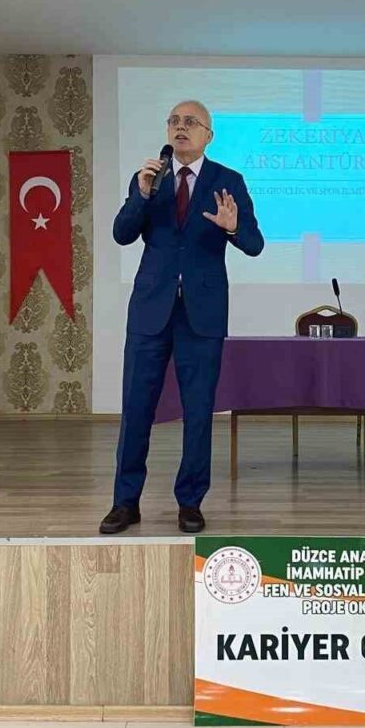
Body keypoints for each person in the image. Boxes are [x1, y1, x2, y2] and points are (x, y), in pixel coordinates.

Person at [100, 100, 264, 534]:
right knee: (136, 408)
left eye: (191, 122)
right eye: (174, 121)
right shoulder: (150, 178)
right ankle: (125, 502)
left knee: (198, 411)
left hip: (202, 314)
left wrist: (232, 227)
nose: (180, 127)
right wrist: (141, 195)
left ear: (209, 135)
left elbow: (254, 243)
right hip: (150, 311)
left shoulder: (228, 181)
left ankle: (190, 502)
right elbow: (122, 234)